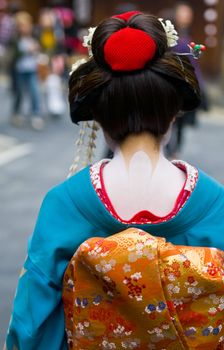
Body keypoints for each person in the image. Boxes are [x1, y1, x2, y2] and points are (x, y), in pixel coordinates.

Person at [5, 11, 224, 350]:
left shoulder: (65, 204)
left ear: (99, 117)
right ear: (173, 113)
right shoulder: (215, 204)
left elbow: (32, 327)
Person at [10, 12, 44, 130]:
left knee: (35, 92)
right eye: (22, 26)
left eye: (26, 25)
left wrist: (37, 50)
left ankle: (36, 115)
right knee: (19, 93)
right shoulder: (15, 39)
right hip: (19, 71)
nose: (25, 28)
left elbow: (40, 50)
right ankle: (17, 112)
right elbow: (12, 55)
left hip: (32, 69)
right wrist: (26, 51)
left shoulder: (34, 36)